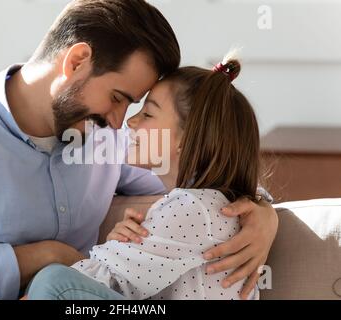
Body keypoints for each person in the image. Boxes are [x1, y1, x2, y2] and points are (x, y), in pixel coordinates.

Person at [0, 0, 277, 300]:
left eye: (137, 106)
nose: (120, 121)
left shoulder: (103, 134)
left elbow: (201, 174)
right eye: (117, 97)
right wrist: (47, 256)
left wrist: (260, 213)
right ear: (76, 62)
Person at [26, 54, 271, 300]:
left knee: (54, 282)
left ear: (185, 141)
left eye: (148, 114)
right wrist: (120, 247)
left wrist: (113, 254)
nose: (130, 121)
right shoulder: (209, 203)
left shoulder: (193, 207)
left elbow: (97, 281)